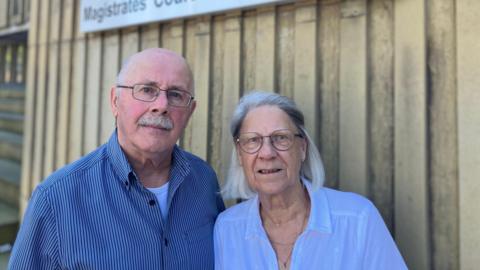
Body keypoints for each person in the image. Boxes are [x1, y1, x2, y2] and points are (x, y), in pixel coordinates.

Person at [9, 48, 225, 269]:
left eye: (176, 94)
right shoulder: (55, 199)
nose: (161, 105)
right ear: (115, 101)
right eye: (146, 90)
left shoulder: (204, 180)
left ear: (190, 111)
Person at [214, 91, 407, 270]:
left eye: (281, 138)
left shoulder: (358, 219)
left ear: (302, 148)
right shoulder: (227, 229)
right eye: (253, 140)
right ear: (240, 154)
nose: (267, 153)